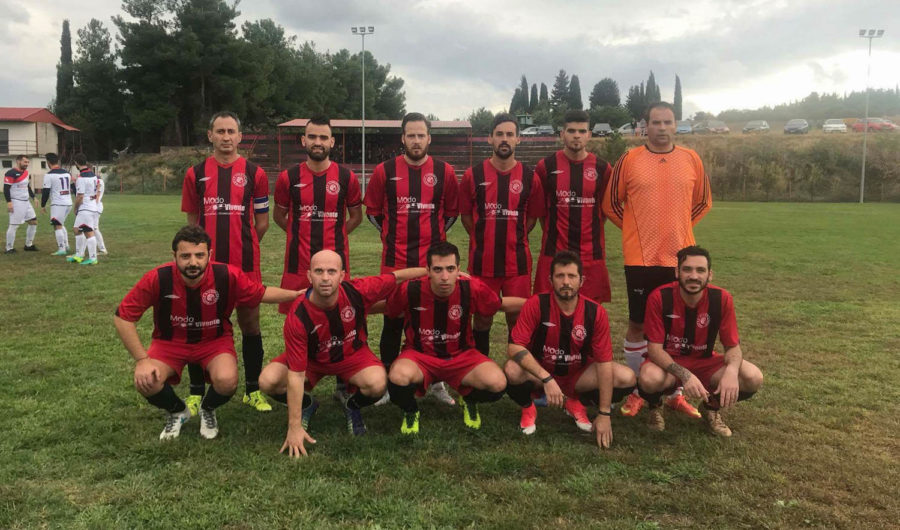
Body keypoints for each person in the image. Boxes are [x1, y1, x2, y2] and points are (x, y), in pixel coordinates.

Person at [113, 225, 302, 440]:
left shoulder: (226, 274)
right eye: (185, 256)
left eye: (199, 255)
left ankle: (207, 408)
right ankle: (177, 411)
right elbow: (123, 316)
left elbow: (261, 293)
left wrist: (296, 294)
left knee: (227, 380)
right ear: (174, 256)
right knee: (148, 380)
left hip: (214, 341)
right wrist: (142, 360)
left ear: (209, 255)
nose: (193, 262)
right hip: (170, 343)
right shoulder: (158, 277)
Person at [603, 101, 713, 419]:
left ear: (676, 125)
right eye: (655, 122)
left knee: (677, 327)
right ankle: (640, 390)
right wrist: (637, 230)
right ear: (645, 126)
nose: (661, 128)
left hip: (680, 260)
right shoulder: (630, 159)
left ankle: (674, 393)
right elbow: (611, 204)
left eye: (667, 122)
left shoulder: (691, 159)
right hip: (641, 258)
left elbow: (703, 202)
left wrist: (679, 229)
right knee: (638, 324)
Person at [263, 251, 426, 456]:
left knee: (377, 384)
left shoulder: (357, 290)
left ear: (342, 276)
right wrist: (294, 427)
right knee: (268, 381)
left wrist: (433, 272)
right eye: (319, 271)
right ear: (309, 276)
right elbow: (296, 375)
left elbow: (397, 277)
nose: (325, 278)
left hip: (352, 356)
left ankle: (352, 405)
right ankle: (307, 405)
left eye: (331, 271)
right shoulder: (298, 316)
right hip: (312, 360)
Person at [364, 112, 459, 405]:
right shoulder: (384, 171)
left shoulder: (444, 172)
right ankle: (389, 383)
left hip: (433, 265)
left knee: (435, 321)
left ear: (429, 138)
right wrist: (392, 235)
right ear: (402, 138)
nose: (416, 141)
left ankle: (436, 383)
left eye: (421, 135)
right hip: (396, 260)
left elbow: (451, 214)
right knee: (392, 319)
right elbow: (373, 212)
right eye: (411, 135)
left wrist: (435, 244)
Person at [181, 111, 272, 413]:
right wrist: (200, 255)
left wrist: (244, 244)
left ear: (240, 136)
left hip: (245, 264)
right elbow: (192, 224)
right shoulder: (195, 174)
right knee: (199, 324)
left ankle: (253, 390)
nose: (226, 137)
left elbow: (262, 223)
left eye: (231, 131)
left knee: (250, 324)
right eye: (220, 131)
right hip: (206, 267)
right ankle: (196, 392)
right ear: (210, 136)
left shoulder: (255, 173)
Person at [385, 242, 525, 434]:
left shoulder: (471, 288)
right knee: (397, 378)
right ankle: (411, 411)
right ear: (428, 270)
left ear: (459, 270)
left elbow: (499, 304)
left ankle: (469, 399)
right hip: (419, 355)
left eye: (450, 269)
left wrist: (540, 303)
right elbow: (388, 309)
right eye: (438, 269)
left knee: (497, 384)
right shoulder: (410, 289)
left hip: (461, 356)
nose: (444, 277)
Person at [505, 251, 636, 447]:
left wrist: (604, 413)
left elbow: (604, 363)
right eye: (560, 276)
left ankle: (575, 401)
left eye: (572, 276)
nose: (566, 282)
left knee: (626, 377)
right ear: (550, 280)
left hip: (578, 375)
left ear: (581, 281)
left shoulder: (595, 312)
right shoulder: (536, 304)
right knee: (511, 369)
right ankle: (528, 407)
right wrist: (546, 378)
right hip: (542, 372)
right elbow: (514, 347)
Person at [638, 246, 762, 436]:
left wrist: (731, 371)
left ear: (709, 274)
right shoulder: (659, 297)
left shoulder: (721, 298)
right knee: (649, 378)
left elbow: (732, 347)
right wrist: (685, 375)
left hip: (705, 362)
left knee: (753, 377)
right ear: (677, 272)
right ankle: (655, 407)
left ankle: (710, 407)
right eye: (687, 269)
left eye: (700, 270)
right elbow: (654, 349)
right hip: (669, 363)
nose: (693, 276)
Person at [459, 113, 543, 351]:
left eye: (509, 134)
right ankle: (482, 366)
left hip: (517, 264)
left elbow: (531, 219)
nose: (504, 139)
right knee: (482, 317)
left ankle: (516, 369)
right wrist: (483, 236)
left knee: (517, 319)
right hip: (483, 262)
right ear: (490, 139)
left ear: (518, 139)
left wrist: (514, 236)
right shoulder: (473, 175)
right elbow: (466, 217)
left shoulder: (530, 178)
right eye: (499, 134)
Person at [273, 115, 362, 314]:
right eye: (312, 137)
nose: (318, 142)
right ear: (303, 140)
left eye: (323, 137)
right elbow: (278, 216)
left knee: (336, 315)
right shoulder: (288, 177)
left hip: (336, 260)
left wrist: (337, 232)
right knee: (298, 316)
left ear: (332, 141)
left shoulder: (347, 177)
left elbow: (356, 217)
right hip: (299, 262)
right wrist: (298, 232)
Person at [533, 109, 612, 304]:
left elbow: (604, 210)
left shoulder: (603, 168)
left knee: (590, 309)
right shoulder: (546, 166)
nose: (577, 135)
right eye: (571, 131)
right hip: (554, 251)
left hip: (590, 253)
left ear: (589, 135)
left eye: (582, 131)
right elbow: (543, 212)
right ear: (562, 134)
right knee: (548, 307)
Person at [65, 153, 101, 265]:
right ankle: (79, 255)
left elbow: (80, 196)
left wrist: (76, 208)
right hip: (92, 206)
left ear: (76, 163)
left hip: (86, 207)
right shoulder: (93, 175)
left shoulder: (81, 178)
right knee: (77, 229)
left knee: (88, 232)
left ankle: (93, 258)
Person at [4, 155, 38, 253]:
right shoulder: (10, 173)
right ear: (18, 161)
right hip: (16, 202)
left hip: (26, 202)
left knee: (33, 222)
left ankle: (28, 245)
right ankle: (9, 248)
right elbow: (6, 189)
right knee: (14, 225)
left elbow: (27, 186)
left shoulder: (26, 173)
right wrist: (9, 202)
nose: (27, 164)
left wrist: (33, 197)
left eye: (28, 162)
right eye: (25, 162)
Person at [41, 153, 72, 255]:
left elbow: (46, 191)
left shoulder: (49, 175)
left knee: (57, 225)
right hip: (68, 202)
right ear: (57, 161)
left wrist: (43, 205)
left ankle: (61, 249)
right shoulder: (67, 173)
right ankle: (66, 245)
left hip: (58, 203)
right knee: (60, 224)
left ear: (48, 162)